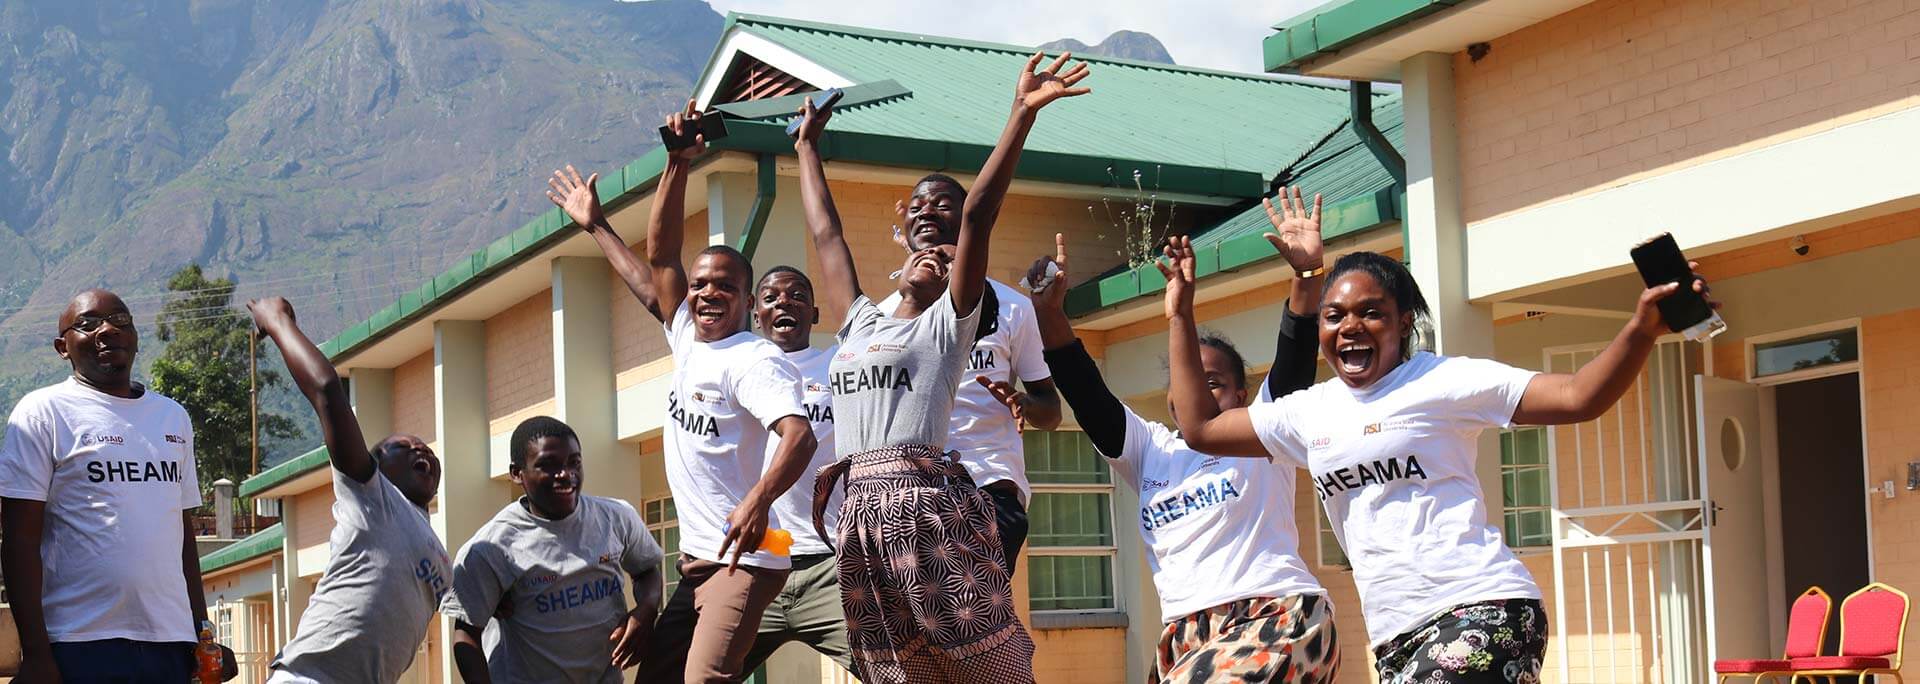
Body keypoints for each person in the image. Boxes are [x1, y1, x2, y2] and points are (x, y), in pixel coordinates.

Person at [1163, 200, 1721, 683]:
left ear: (1403, 322)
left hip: (1484, 609)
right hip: (1396, 635)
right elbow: (1203, 430)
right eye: (1334, 317)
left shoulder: (1443, 381)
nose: (1349, 327)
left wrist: (1641, 329)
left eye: (1370, 314)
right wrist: (1181, 314)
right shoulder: (1310, 412)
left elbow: (1578, 396)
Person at [795, 51, 1090, 683]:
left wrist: (1020, 115)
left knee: (984, 664)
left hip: (936, 506)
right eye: (920, 241)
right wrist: (805, 149)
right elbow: (827, 239)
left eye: (948, 259)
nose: (933, 253)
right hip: (859, 518)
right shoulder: (862, 321)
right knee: (903, 671)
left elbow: (982, 212)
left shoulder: (949, 322)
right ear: (902, 247)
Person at [1023, 188, 1341, 682]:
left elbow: (1296, 358)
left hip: (1275, 614)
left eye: (1214, 383)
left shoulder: (1262, 431)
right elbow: (1086, 395)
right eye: (1188, 384)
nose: (1198, 393)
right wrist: (1048, 315)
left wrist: (1306, 277)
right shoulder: (1150, 450)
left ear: (1241, 395)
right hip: (1185, 633)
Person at [560, 101, 820, 684]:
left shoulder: (754, 360)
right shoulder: (687, 338)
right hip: (696, 565)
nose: (706, 294)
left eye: (724, 287)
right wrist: (674, 165)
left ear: (747, 303)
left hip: (746, 562)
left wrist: (756, 499)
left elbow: (798, 437)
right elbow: (656, 261)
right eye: (700, 284)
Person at [0, 289, 234, 683]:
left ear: (135, 336)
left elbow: (182, 537)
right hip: (80, 643)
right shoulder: (43, 413)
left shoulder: (172, 417)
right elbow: (18, 539)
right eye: (88, 324)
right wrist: (38, 654)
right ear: (63, 347)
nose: (108, 329)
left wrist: (202, 633)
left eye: (120, 320)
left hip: (170, 646)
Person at [248, 297, 451, 684]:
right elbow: (327, 390)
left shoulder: (438, 552)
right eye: (402, 447)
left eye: (424, 446)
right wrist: (277, 322)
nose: (420, 448)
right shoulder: (373, 498)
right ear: (372, 464)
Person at [880, 184, 1064, 573]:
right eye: (917, 206)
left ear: (968, 219)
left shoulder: (1010, 306)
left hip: (985, 489)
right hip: (902, 495)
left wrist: (1022, 402)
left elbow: (1051, 410)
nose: (927, 212)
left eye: (942, 205)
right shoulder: (881, 316)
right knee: (910, 631)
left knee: (974, 624)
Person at [444, 416, 665, 683]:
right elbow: (467, 633)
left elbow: (646, 570)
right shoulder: (492, 546)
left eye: (574, 462)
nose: (565, 475)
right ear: (517, 473)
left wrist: (647, 609)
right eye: (547, 466)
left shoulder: (616, 517)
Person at [738, 266, 855, 675]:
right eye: (771, 297)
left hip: (829, 563)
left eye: (797, 296)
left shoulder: (837, 371)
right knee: (700, 670)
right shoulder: (740, 373)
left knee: (893, 668)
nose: (783, 303)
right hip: (758, 562)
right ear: (756, 315)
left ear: (815, 314)